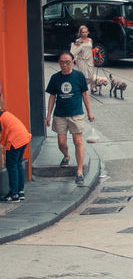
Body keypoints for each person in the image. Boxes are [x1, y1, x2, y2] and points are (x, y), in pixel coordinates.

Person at [45, 52, 95, 185]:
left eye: (67, 62)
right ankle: (66, 155)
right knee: (61, 142)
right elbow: (52, 97)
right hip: (60, 114)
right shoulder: (55, 78)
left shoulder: (78, 76)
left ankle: (79, 171)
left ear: (73, 62)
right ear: (59, 63)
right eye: (62, 62)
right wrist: (48, 115)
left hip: (76, 114)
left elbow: (85, 94)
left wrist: (90, 112)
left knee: (78, 141)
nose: (65, 65)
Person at [0, 99, 30, 202]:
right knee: (18, 164)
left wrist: (2, 144)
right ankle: (20, 191)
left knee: (11, 166)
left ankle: (14, 194)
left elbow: (2, 136)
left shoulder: (1, 119)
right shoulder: (6, 115)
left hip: (15, 141)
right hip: (24, 138)